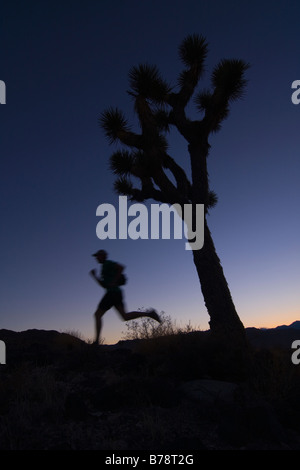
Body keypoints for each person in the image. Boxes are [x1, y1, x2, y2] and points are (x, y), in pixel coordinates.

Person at [90, 249, 161, 344]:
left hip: (112, 293)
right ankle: (149, 314)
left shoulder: (108, 263)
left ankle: (96, 343)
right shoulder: (104, 267)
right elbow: (104, 285)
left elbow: (121, 267)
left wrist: (114, 281)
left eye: (97, 256)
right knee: (125, 316)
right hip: (116, 293)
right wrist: (95, 277)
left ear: (103, 256)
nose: (96, 258)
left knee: (97, 315)